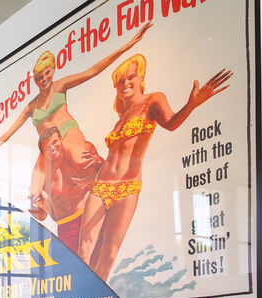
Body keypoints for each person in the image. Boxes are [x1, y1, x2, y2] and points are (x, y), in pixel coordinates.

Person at [77, 55, 232, 280]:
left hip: (127, 187)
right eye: (120, 81)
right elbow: (116, 154)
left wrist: (191, 104)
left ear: (141, 78)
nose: (125, 84)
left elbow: (170, 123)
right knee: (84, 250)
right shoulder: (121, 116)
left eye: (131, 77)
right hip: (100, 186)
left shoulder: (152, 100)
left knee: (109, 254)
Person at [0, 22, 152, 194]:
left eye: (47, 74)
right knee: (35, 189)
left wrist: (127, 46)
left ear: (53, 71)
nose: (44, 80)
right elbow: (7, 134)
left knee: (80, 160)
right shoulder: (30, 107)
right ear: (34, 80)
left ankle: (104, 172)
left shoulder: (60, 86)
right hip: (48, 143)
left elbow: (93, 70)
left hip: (67, 132)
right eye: (39, 77)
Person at [29, 127, 102, 253]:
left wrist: (99, 161)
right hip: (65, 227)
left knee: (97, 266)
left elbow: (109, 175)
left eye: (55, 142)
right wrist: (39, 206)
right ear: (43, 153)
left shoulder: (78, 154)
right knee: (76, 269)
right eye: (47, 148)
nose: (52, 148)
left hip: (89, 217)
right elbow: (42, 217)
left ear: (61, 140)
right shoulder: (43, 177)